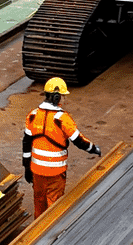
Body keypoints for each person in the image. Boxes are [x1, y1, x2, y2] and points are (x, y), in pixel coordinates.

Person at [20, 77, 100, 215]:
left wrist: (27, 167)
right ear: (56, 97)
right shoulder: (62, 118)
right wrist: (94, 149)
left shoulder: (32, 115)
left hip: (37, 171)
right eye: (63, 96)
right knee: (54, 207)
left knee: (39, 202)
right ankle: (52, 233)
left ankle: (37, 232)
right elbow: (79, 141)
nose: (64, 99)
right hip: (55, 173)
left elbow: (26, 144)